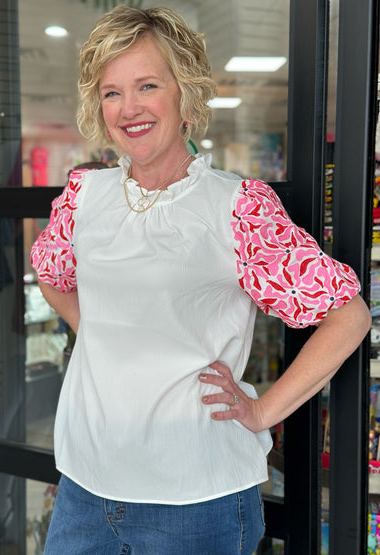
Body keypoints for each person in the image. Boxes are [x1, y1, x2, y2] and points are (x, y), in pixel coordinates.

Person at [30, 5, 371, 554]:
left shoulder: (236, 209)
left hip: (194, 503)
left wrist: (261, 411)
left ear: (184, 94)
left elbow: (347, 315)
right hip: (84, 490)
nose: (129, 108)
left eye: (147, 85)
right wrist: (101, 333)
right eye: (112, 91)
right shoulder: (83, 196)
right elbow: (50, 272)